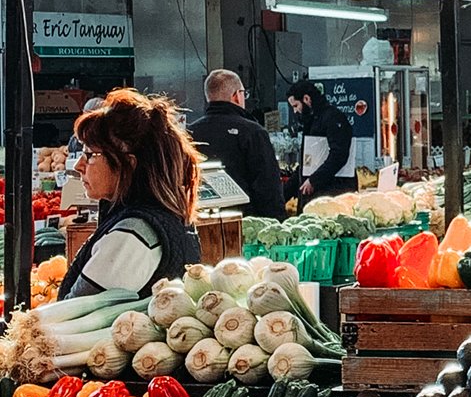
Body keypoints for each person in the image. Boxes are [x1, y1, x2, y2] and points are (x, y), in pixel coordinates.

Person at [57, 89, 202, 301]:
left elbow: (72, 311)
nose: (79, 166)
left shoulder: (132, 236)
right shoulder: (155, 218)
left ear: (129, 164)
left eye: (89, 155)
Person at [188, 69, 284, 220]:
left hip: (200, 222)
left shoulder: (188, 133)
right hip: (245, 222)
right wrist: (276, 222)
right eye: (243, 93)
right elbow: (268, 187)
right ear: (236, 96)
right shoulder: (253, 132)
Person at [287, 78, 355, 203]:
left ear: (306, 99)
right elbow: (306, 162)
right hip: (317, 194)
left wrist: (313, 180)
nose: (295, 111)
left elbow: (339, 155)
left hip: (332, 194)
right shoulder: (312, 121)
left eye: (296, 105)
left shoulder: (333, 117)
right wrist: (284, 195)